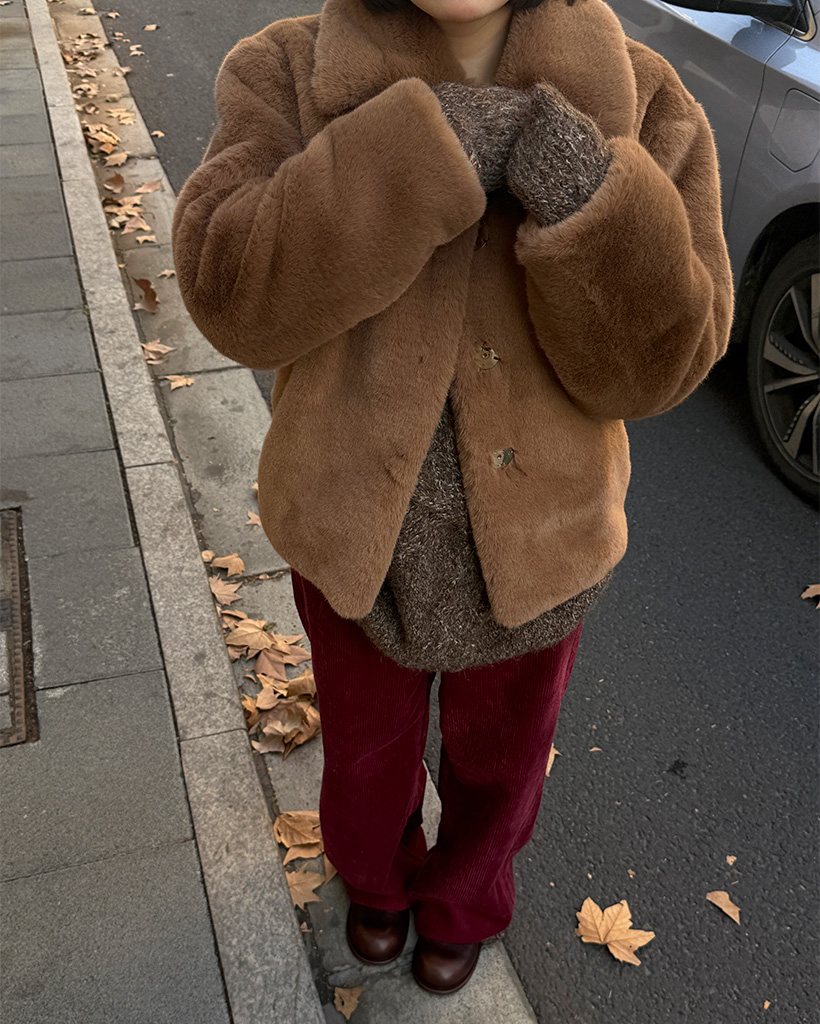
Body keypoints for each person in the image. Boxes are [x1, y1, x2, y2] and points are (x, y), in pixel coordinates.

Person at [172, 0, 734, 996]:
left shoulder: (644, 98)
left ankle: (464, 905)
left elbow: (667, 363)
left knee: (503, 768)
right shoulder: (284, 71)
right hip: (351, 538)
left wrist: (583, 189)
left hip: (544, 547)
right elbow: (229, 294)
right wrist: (412, 154)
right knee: (365, 758)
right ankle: (373, 880)